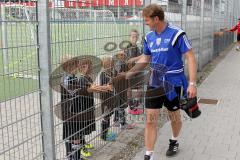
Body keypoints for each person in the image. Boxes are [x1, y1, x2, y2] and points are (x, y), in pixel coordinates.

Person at [124, 4, 197, 160]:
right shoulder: (149, 37)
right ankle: (148, 154)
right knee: (150, 120)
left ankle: (174, 140)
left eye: (147, 20)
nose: (146, 23)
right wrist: (129, 74)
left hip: (174, 83)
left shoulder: (177, 34)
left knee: (174, 117)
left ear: (156, 19)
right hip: (154, 83)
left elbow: (190, 57)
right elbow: (145, 58)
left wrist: (192, 83)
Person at [60, 56, 111, 160]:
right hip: (71, 113)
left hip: (76, 111)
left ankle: (75, 157)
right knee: (73, 137)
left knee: (76, 136)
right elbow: (77, 91)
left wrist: (101, 88)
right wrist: (95, 89)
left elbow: (85, 88)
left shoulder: (73, 77)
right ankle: (72, 157)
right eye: (75, 64)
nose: (77, 65)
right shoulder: (67, 79)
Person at [124, 29, 144, 115]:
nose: (134, 38)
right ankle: (131, 108)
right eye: (133, 36)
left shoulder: (136, 47)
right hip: (130, 71)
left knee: (138, 88)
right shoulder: (128, 47)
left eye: (136, 36)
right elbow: (128, 60)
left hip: (136, 70)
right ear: (129, 37)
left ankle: (134, 106)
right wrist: (139, 57)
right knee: (130, 89)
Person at [99, 56, 117, 141]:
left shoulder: (111, 73)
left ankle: (106, 133)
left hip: (111, 98)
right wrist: (109, 83)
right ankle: (104, 135)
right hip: (105, 99)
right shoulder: (103, 74)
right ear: (107, 65)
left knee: (109, 115)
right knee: (105, 117)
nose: (113, 65)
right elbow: (103, 87)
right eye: (112, 64)